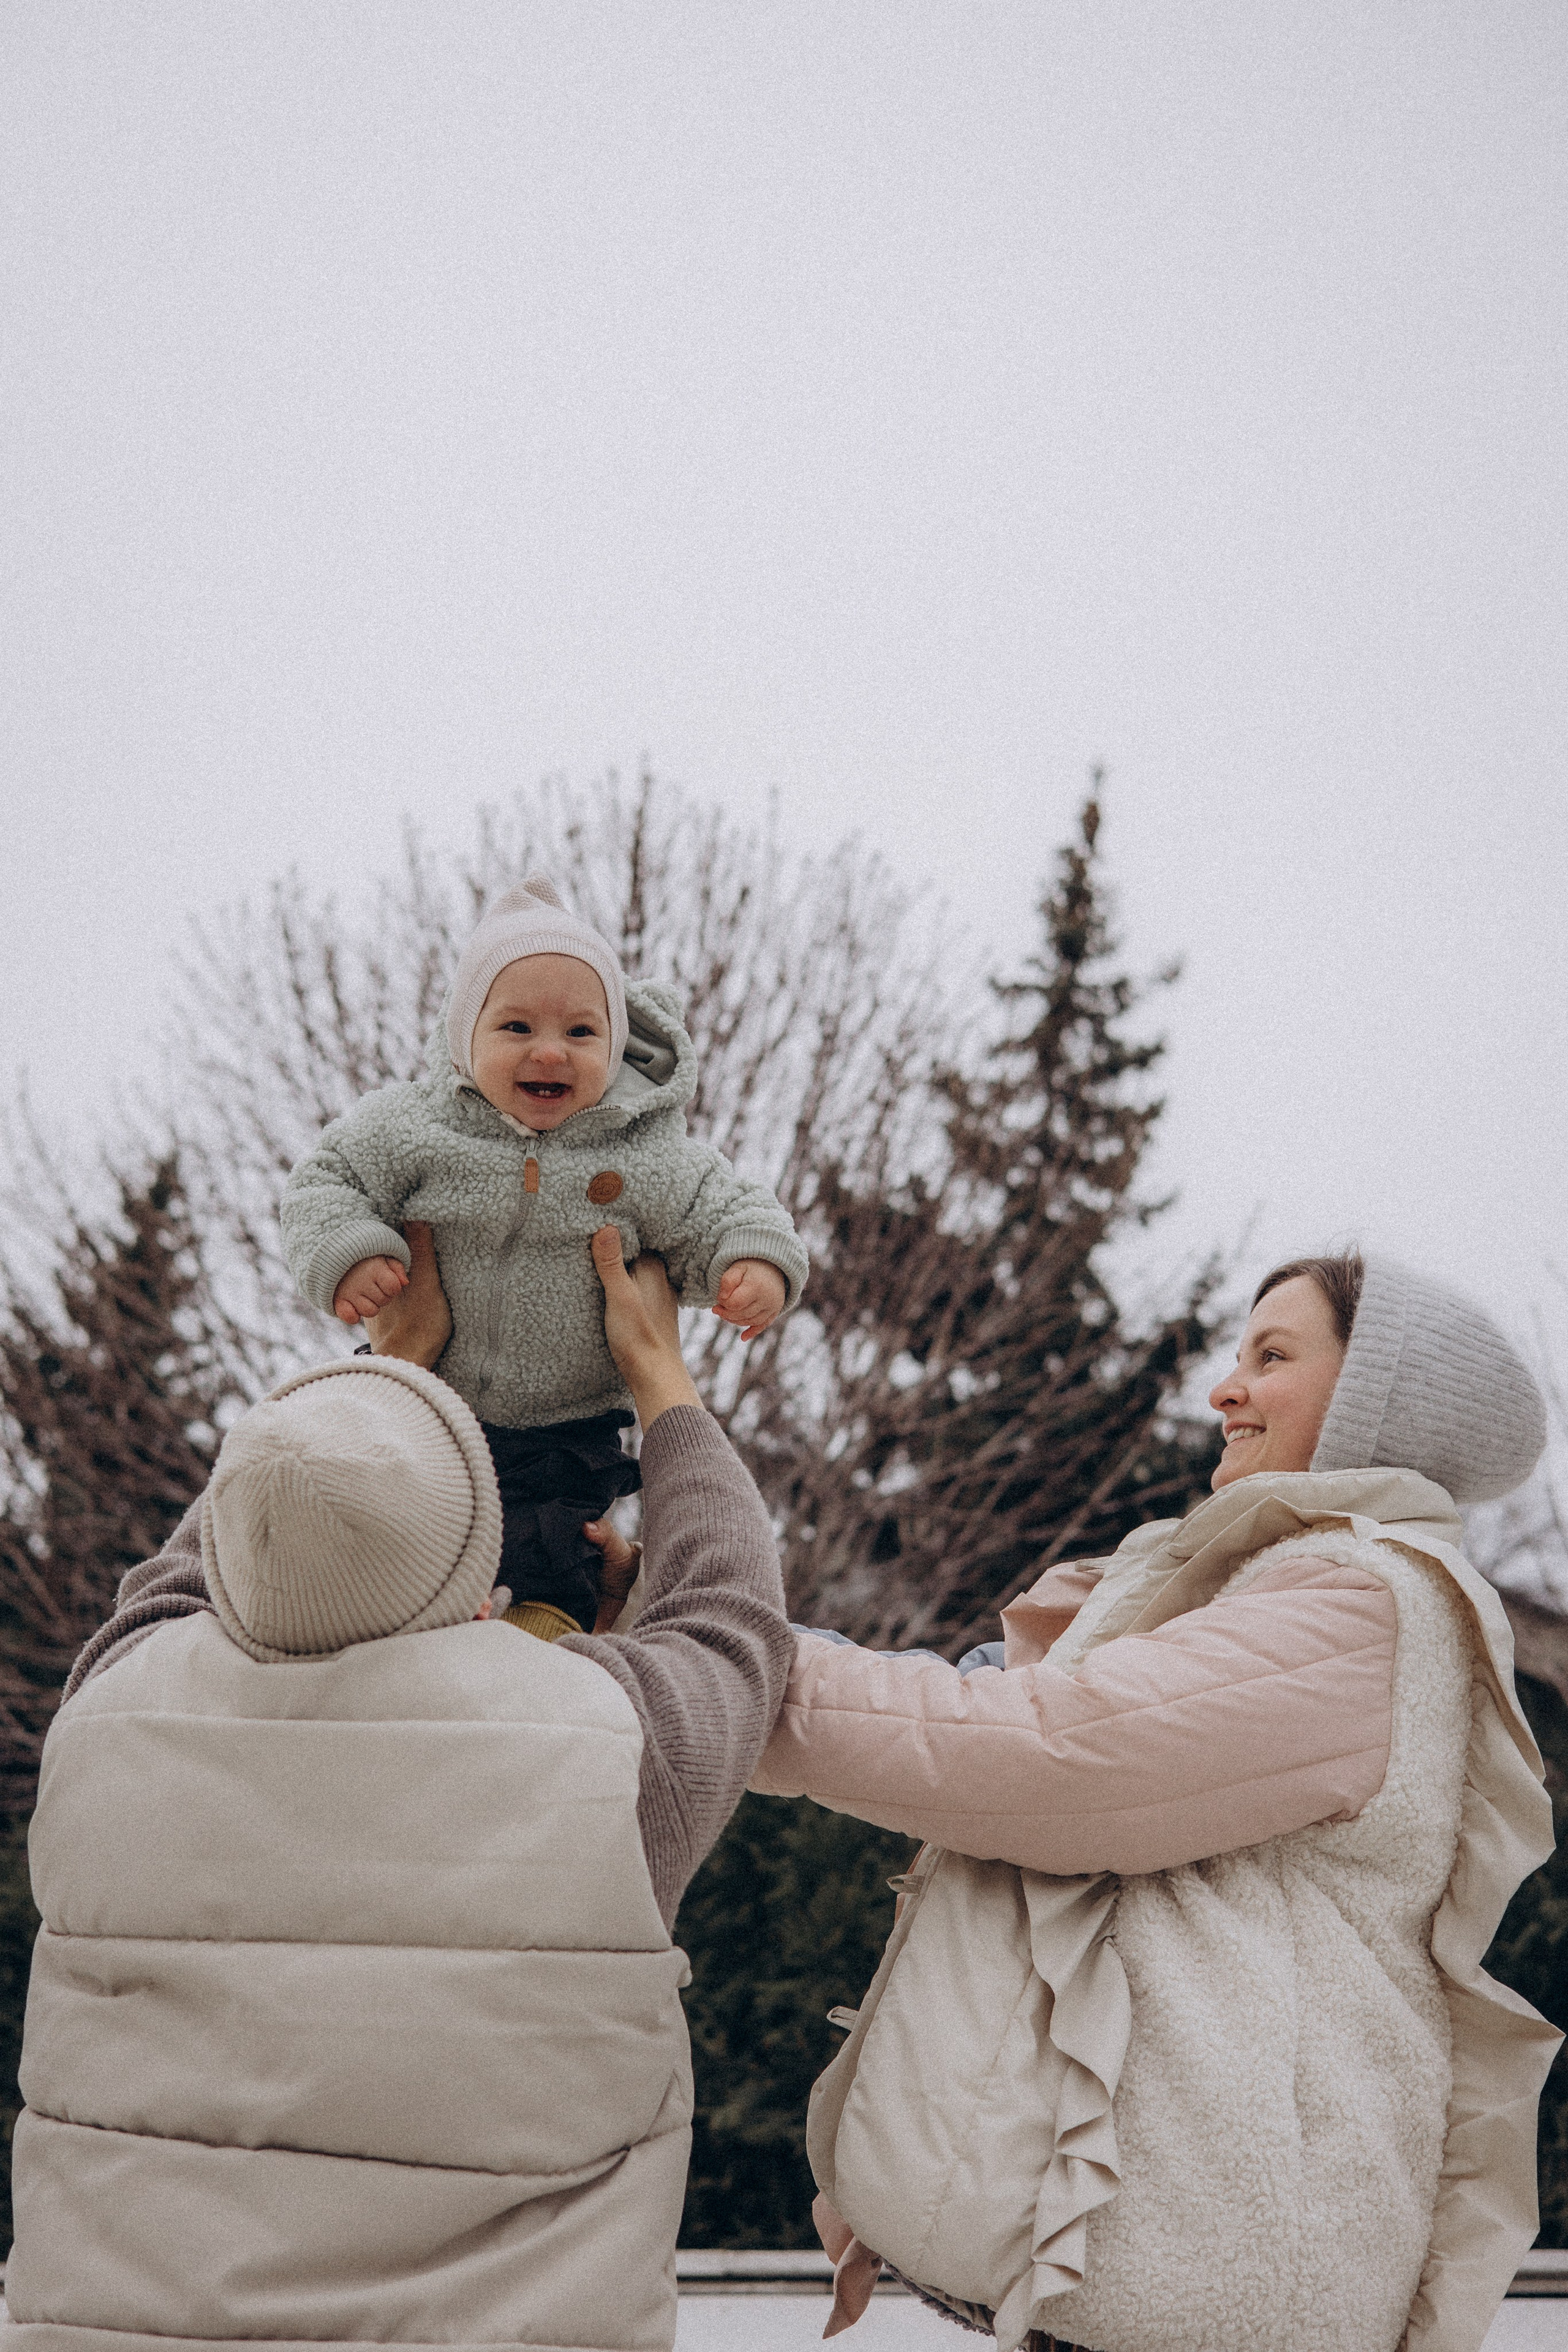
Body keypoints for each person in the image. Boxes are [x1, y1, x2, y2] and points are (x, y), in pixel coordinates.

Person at [754, 1253, 1563, 2352]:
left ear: (1379, 1402)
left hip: (1229, 2277)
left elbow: (1052, 1755)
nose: (1224, 1389)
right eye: (1238, 1355)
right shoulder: (1282, 1586)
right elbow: (993, 1697)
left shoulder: (1358, 1603)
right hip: (1199, 2257)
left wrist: (738, 1674)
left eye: (1271, 1357)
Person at [7, 1227, 793, 2352]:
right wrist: (662, 1382)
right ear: (479, 1573)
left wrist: (379, 1369)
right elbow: (729, 1624)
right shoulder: (604, 1740)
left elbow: (206, 1568)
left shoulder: (106, 1712)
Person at [280, 873, 807, 1637]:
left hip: (569, 1427)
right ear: (467, 1036)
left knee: (558, 1547)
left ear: (617, 1042)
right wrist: (350, 1250)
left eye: (582, 1033)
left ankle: (546, 1633)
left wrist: (754, 1262)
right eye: (517, 1028)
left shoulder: (643, 1151)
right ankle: (407, 1620)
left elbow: (727, 1206)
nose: (550, 1052)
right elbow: (324, 1181)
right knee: (388, 1513)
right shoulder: (415, 1127)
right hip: (427, 1394)